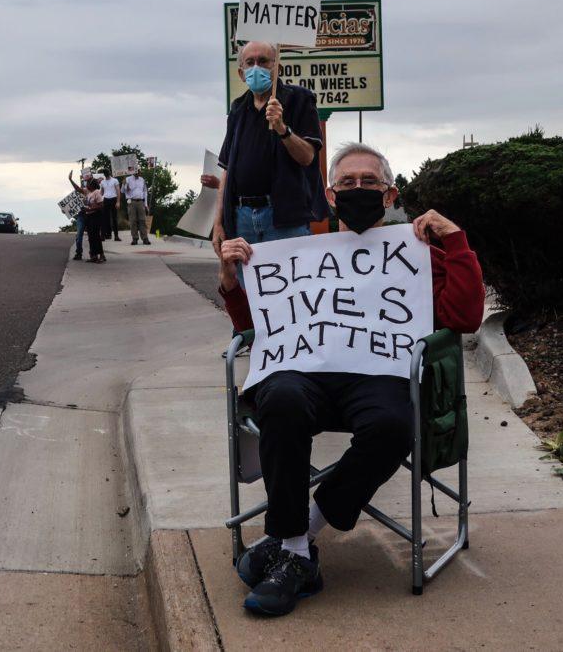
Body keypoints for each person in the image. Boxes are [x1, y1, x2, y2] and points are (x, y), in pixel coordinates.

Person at [218, 143, 485, 617]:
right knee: (278, 398)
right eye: (347, 183)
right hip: (306, 376)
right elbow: (255, 328)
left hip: (379, 377)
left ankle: (293, 539)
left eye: (369, 183)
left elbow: (464, 316)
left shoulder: (418, 257)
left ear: (389, 195)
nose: (358, 189)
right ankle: (298, 558)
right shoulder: (296, 256)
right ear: (330, 193)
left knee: (394, 425)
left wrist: (455, 240)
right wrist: (232, 280)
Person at [202, 41, 324, 262]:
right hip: (242, 218)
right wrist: (218, 223)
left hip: (283, 218)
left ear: (276, 67)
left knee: (290, 289)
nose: (256, 67)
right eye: (250, 62)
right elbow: (227, 169)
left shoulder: (299, 99)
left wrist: (282, 128)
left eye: (263, 61)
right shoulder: (238, 109)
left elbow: (307, 157)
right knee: (247, 287)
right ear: (241, 72)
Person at [69, 171, 105, 263]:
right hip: (89, 217)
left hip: (95, 216)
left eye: (88, 183)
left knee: (96, 237)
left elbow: (101, 205)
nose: (86, 184)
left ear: (92, 184)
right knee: (91, 237)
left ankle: (101, 255)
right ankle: (94, 256)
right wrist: (70, 180)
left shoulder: (97, 192)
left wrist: (90, 209)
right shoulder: (87, 192)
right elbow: (78, 189)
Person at [124, 169, 151, 245]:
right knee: (133, 221)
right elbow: (123, 191)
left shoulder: (142, 180)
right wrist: (124, 185)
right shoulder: (127, 179)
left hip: (140, 201)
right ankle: (135, 238)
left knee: (142, 220)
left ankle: (145, 238)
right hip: (131, 201)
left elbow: (145, 192)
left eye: (140, 172)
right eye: (138, 171)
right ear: (134, 172)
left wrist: (146, 204)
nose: (139, 173)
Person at [99, 171, 122, 241]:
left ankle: (116, 236)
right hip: (106, 199)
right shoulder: (102, 182)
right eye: (105, 174)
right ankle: (103, 236)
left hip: (113, 199)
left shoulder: (115, 180)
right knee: (104, 218)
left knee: (114, 218)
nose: (106, 175)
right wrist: (99, 199)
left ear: (109, 174)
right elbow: (101, 192)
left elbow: (118, 191)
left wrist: (118, 202)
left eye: (106, 174)